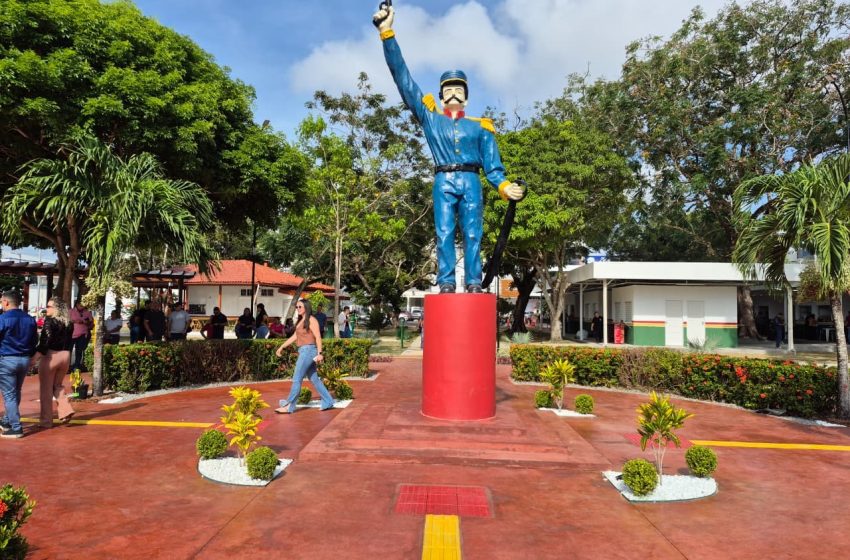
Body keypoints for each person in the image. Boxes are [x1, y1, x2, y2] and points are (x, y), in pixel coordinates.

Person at [373, 4, 525, 293]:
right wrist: (387, 33)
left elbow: (493, 168)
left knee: (472, 234)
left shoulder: (481, 127)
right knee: (443, 234)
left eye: (459, 89)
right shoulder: (430, 119)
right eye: (448, 89)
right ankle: (445, 283)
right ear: (441, 95)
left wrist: (505, 187)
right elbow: (403, 80)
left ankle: (472, 283)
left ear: (466, 97)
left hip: (471, 180)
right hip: (443, 179)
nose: (453, 92)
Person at [274, 299, 335, 414]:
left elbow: (318, 337)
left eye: (300, 307)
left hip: (309, 351)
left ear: (306, 307)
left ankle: (289, 406)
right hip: (304, 351)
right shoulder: (301, 321)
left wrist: (320, 354)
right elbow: (294, 337)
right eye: (297, 307)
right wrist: (281, 346)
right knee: (314, 379)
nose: (297, 309)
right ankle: (328, 401)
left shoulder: (312, 320)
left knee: (297, 379)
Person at [31, 297, 75, 430]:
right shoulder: (69, 323)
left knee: (45, 390)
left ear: (57, 309)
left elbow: (45, 341)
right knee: (58, 386)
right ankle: (66, 411)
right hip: (66, 356)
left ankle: (46, 421)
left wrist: (34, 359)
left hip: (51, 356)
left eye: (49, 306)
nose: (46, 309)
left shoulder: (49, 321)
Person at [0, 290, 38, 438]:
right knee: (16, 391)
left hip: (7, 359)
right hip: (24, 359)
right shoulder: (29, 319)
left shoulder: (3, 318)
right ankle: (7, 421)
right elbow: (34, 340)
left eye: (2, 301)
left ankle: (16, 427)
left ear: (7, 302)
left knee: (9, 394)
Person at [69, 299, 93, 371]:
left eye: (83, 305)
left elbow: (91, 324)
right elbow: (66, 320)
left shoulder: (87, 312)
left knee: (79, 351)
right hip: (71, 334)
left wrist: (87, 322)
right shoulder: (71, 311)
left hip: (82, 334)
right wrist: (74, 321)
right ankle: (67, 366)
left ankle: (77, 366)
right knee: (68, 350)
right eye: (80, 304)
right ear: (77, 304)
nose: (82, 306)